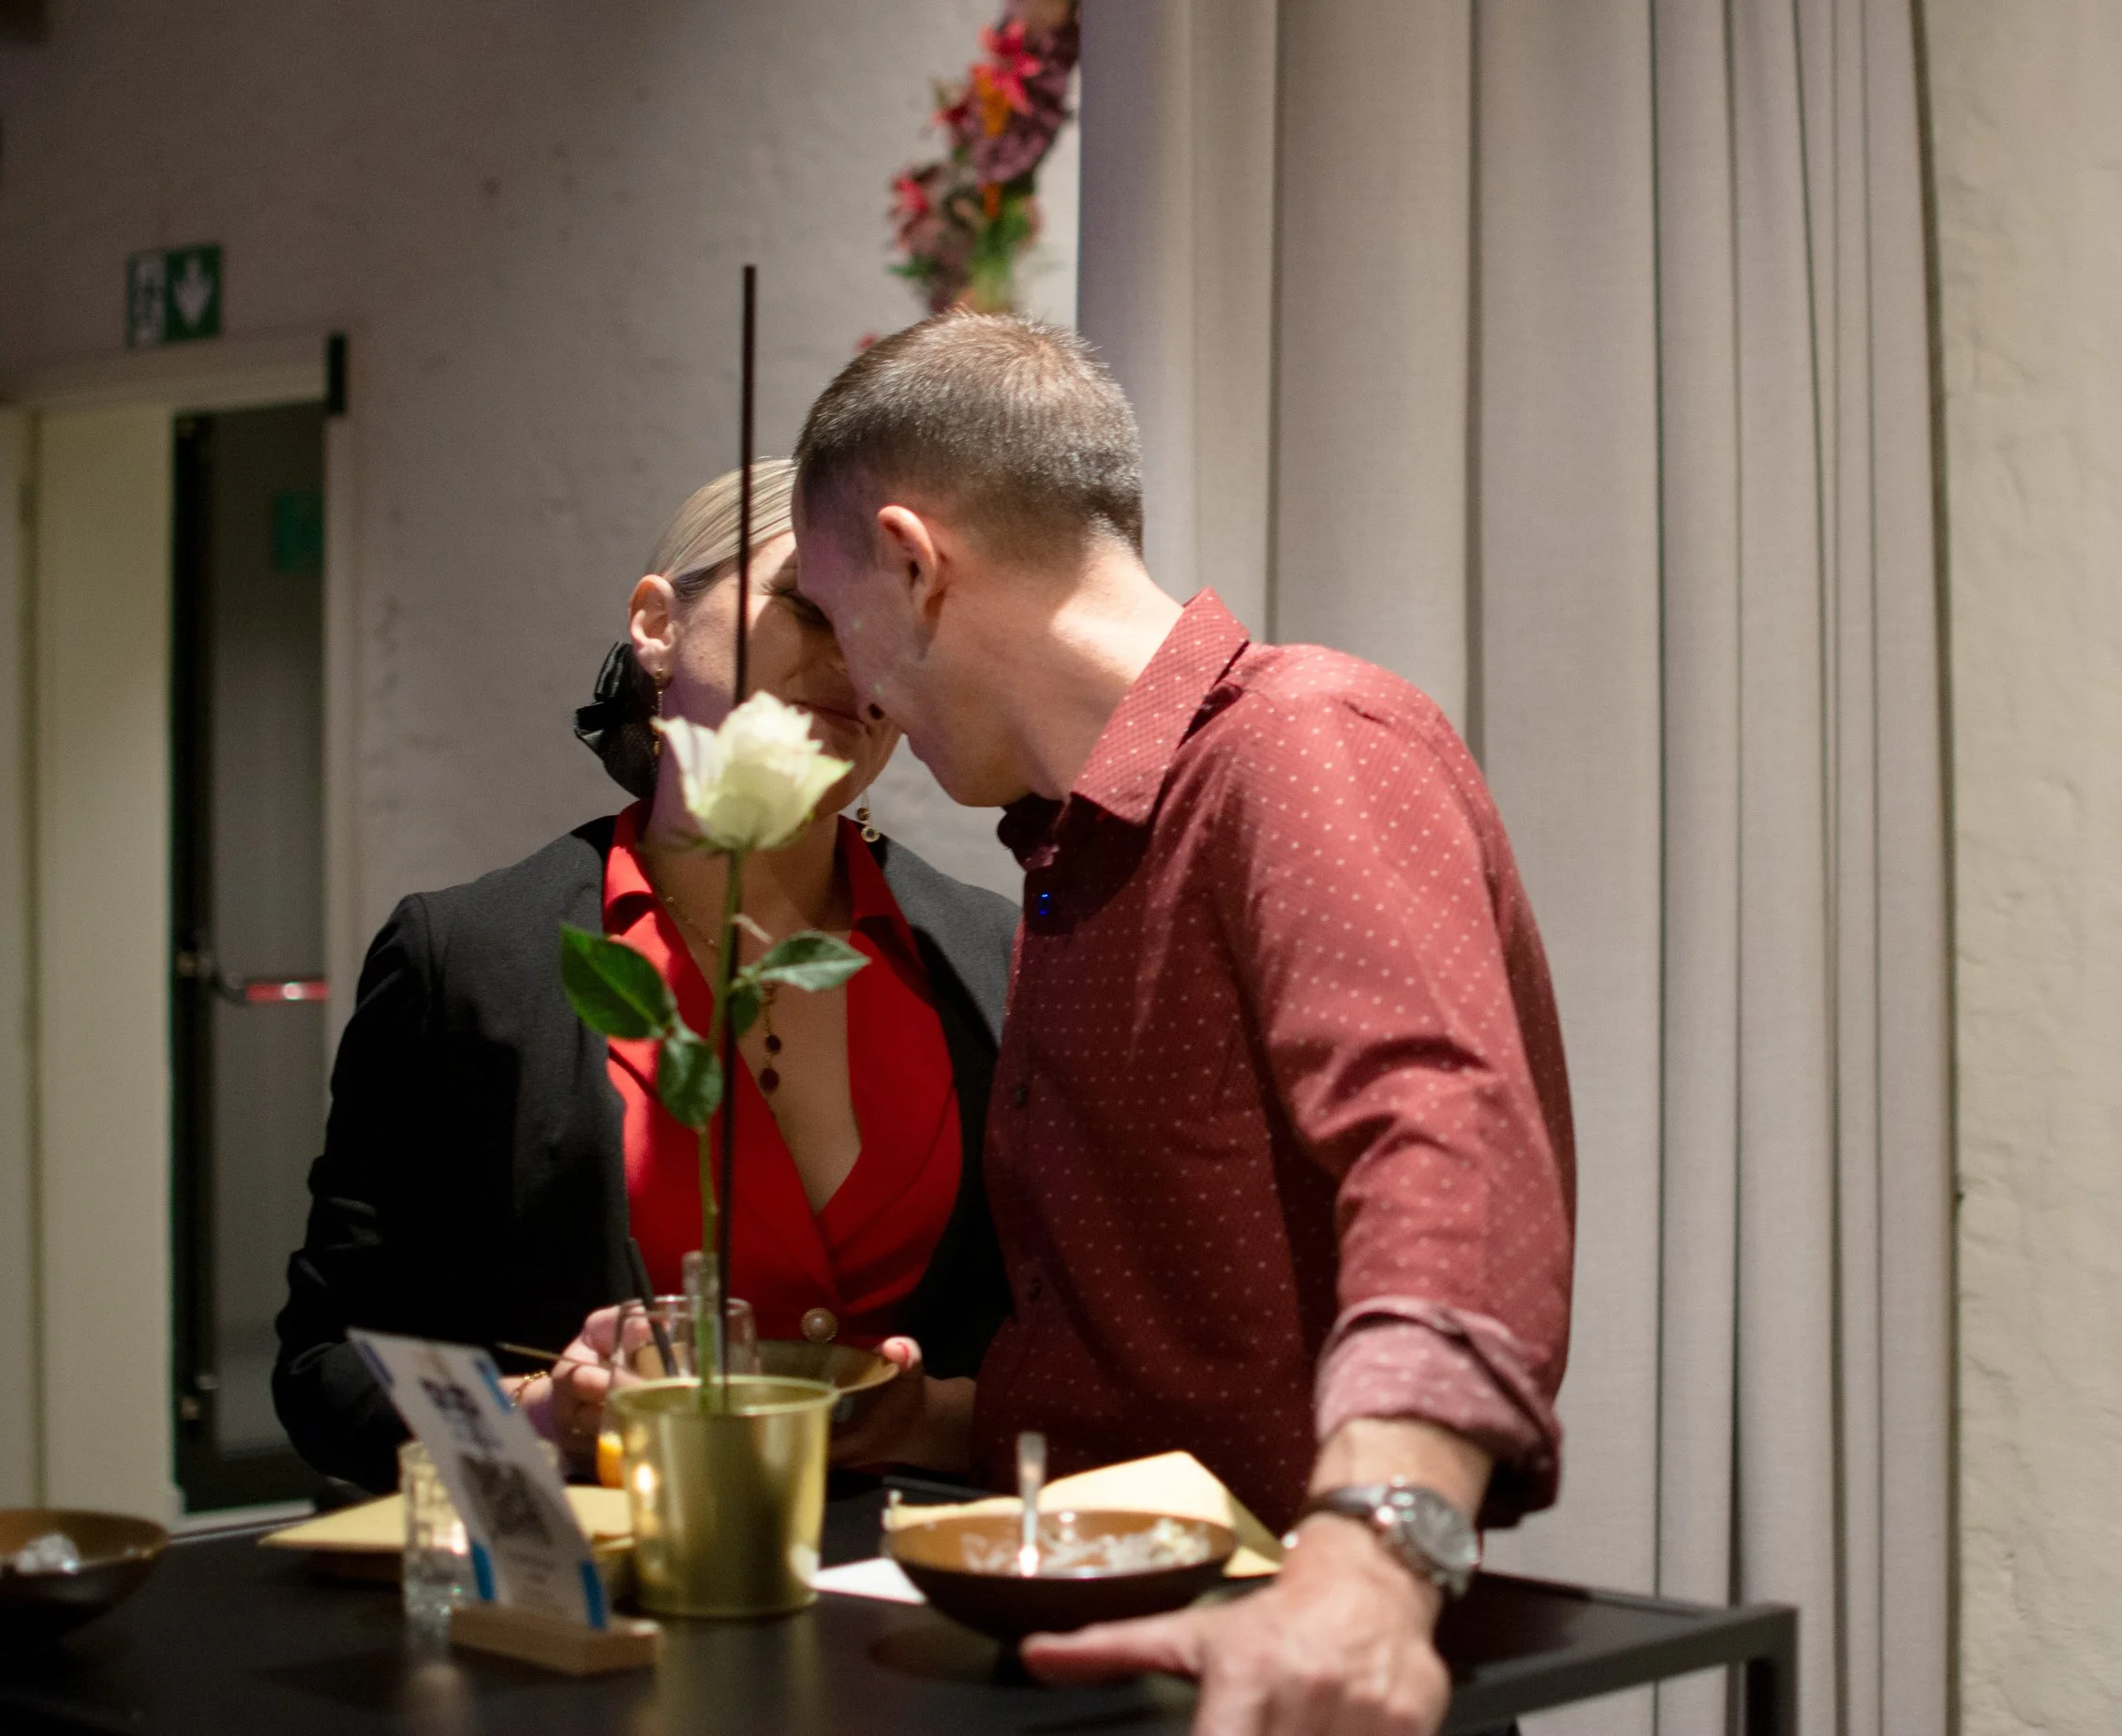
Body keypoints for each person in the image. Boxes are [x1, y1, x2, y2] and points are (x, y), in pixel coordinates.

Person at [789, 314, 1575, 1736]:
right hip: (1127, 1653)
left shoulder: (1301, 743)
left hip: (1290, 1675)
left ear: (913, 564)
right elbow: (1180, 1368)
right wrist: (939, 1418)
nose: (861, 692)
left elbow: (1444, 1144)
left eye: (842, 625)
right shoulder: (1074, 859)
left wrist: (1378, 1556)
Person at [274, 460, 1017, 1491]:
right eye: (813, 604)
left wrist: (928, 1418)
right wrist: (544, 1418)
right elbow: (326, 1369)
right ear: (657, 622)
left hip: (907, 1611)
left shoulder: (998, 961)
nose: (858, 654)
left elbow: (1085, 1349)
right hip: (600, 1614)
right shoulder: (473, 960)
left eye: (896, 625)